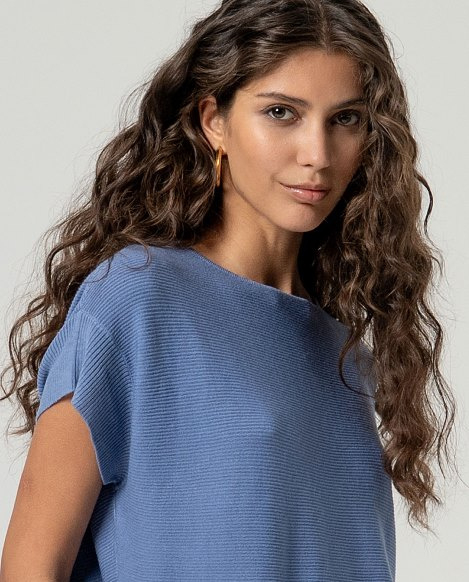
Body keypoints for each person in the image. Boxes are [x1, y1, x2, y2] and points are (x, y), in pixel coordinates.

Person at [0, 0, 458, 580]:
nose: (317, 155)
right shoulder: (137, 301)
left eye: (345, 119)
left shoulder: (344, 351)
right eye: (281, 112)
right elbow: (31, 565)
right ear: (213, 120)